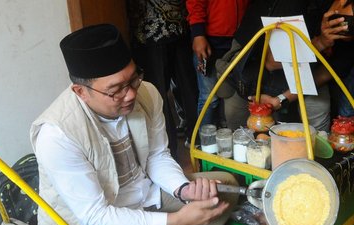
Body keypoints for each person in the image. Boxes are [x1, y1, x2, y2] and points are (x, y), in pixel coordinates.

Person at [30, 24, 259, 225]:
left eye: (133, 79)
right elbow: (97, 218)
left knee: (223, 188)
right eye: (115, 90)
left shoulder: (147, 93)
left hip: (146, 196)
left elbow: (157, 155)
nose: (129, 95)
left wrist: (182, 189)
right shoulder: (57, 133)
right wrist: (176, 221)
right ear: (80, 92)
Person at [220, 0, 350, 132]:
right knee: (237, 129)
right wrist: (319, 43)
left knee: (316, 119)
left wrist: (281, 99)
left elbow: (327, 71)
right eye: (344, 21)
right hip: (251, 67)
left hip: (304, 79)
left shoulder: (344, 42)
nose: (345, 27)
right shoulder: (290, 8)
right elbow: (272, 62)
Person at [126, 0, 199, 160]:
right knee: (187, 88)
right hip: (177, 25)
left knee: (157, 94)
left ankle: (169, 152)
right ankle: (197, 142)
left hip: (151, 31)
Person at [186, 0, 251, 138]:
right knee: (210, 98)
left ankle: (228, 142)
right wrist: (198, 34)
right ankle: (204, 143)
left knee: (233, 95)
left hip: (240, 40)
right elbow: (195, 3)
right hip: (210, 40)